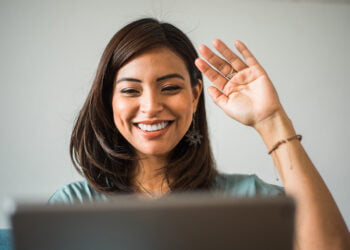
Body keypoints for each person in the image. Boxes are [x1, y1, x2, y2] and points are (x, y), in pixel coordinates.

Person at [49, 18, 350, 249]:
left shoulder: (247, 199)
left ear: (195, 96)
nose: (151, 106)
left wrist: (271, 119)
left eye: (170, 88)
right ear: (108, 101)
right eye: (130, 90)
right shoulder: (73, 205)